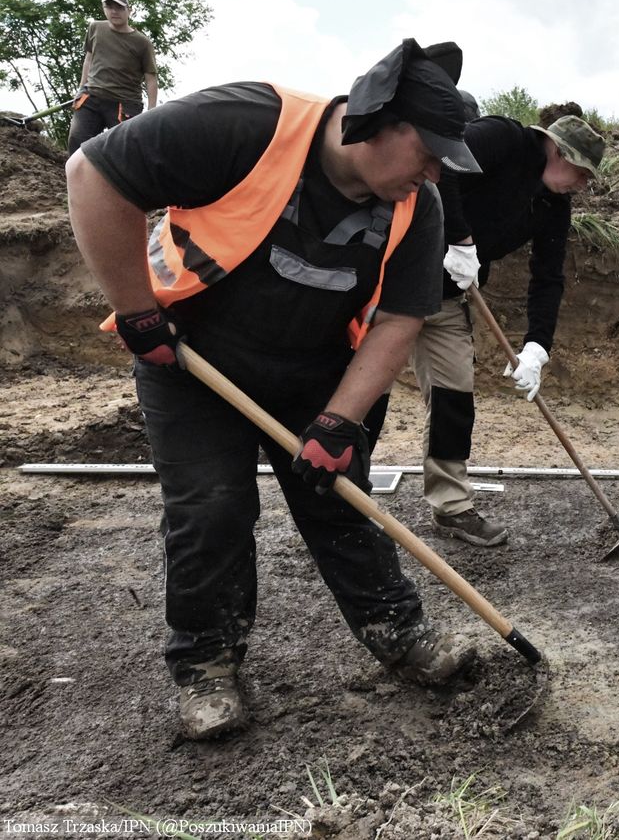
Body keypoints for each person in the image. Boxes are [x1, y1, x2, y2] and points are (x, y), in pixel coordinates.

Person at [65, 38, 483, 741]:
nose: (434, 172)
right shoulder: (245, 122)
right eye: (429, 151)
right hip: (192, 356)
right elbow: (92, 174)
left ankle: (400, 633)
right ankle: (206, 665)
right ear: (376, 121)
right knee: (212, 507)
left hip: (316, 368)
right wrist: (139, 311)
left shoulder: (421, 207)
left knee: (341, 498)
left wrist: (340, 423)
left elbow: (401, 318)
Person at [413, 109, 605, 546]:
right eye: (582, 172)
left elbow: (548, 277)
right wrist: (460, 239)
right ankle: (345, 493)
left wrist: (538, 347)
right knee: (368, 389)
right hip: (394, 276)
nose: (583, 184)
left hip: (447, 296)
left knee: (454, 398)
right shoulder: (503, 138)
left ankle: (452, 508)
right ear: (557, 150)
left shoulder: (554, 204)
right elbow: (442, 165)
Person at [67, 0, 157, 155]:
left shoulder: (142, 42)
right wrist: (80, 89)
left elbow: (151, 76)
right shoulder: (95, 28)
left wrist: (152, 110)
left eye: (119, 7)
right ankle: (75, 180)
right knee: (77, 140)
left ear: (130, 10)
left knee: (123, 151)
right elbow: (89, 58)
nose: (114, 11)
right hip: (91, 96)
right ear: (104, 8)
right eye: (109, 6)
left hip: (124, 103)